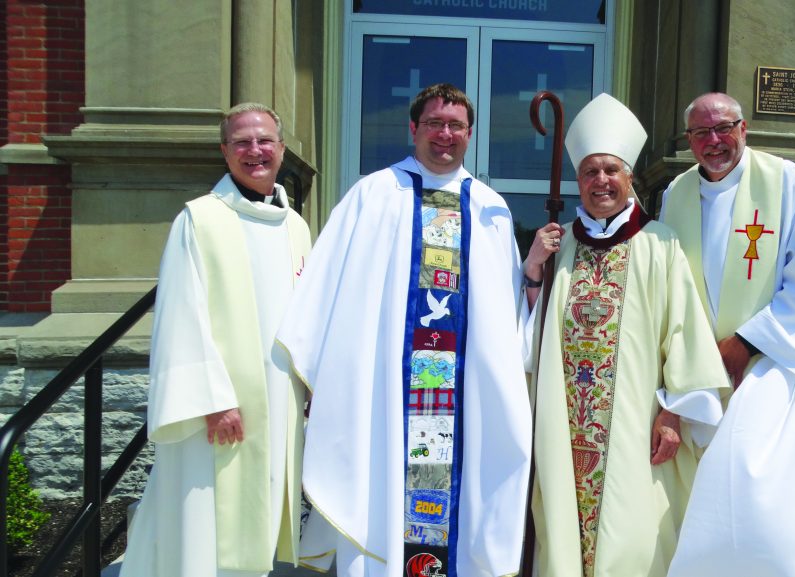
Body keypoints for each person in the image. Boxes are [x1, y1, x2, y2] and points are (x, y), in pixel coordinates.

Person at [275, 83, 532, 577]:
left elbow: (506, 314)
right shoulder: (372, 195)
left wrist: (536, 273)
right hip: (386, 396)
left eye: (456, 126)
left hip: (463, 398)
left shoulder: (489, 208)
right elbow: (328, 292)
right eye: (434, 123)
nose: (445, 135)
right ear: (412, 128)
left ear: (470, 134)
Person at [523, 93, 730, 577]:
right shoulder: (560, 244)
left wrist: (673, 414)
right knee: (560, 529)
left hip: (637, 428)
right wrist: (533, 269)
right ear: (579, 180)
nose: (601, 182)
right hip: (564, 422)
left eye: (611, 171)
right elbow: (533, 334)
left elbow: (685, 335)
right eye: (590, 171)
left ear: (628, 178)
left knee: (636, 535)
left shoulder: (659, 242)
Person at [120, 103, 311, 577]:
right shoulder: (199, 219)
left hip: (280, 401)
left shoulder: (297, 227)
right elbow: (181, 313)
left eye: (264, 140)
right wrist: (214, 399)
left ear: (282, 149)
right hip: (224, 407)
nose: (255, 151)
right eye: (241, 142)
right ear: (225, 152)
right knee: (205, 520)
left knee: (262, 509)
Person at [660, 92, 795, 577]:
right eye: (701, 133)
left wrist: (743, 346)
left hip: (768, 365)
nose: (714, 141)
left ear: (744, 130)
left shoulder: (785, 182)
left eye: (724, 128)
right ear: (689, 140)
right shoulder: (675, 194)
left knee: (755, 491)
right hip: (697, 370)